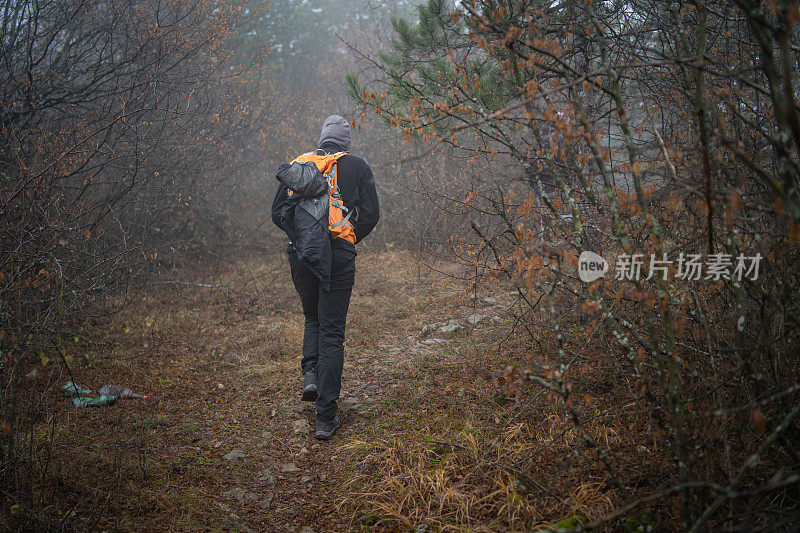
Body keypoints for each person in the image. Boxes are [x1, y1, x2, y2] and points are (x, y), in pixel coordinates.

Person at [271, 115, 380, 439]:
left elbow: (277, 212)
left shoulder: (300, 164)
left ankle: (311, 376)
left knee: (312, 319)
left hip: (301, 253)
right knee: (332, 332)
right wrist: (348, 236)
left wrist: (302, 237)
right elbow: (372, 213)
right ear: (345, 142)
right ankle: (325, 417)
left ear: (322, 139)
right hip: (339, 254)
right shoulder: (357, 166)